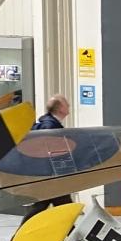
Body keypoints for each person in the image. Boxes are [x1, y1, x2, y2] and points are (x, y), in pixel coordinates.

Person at [17, 95, 74, 227]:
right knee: (60, 207)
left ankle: (72, 233)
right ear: (60, 108)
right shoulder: (50, 126)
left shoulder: (50, 123)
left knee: (55, 206)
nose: (69, 106)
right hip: (50, 176)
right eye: (66, 104)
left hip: (49, 176)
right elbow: (46, 150)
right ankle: (73, 234)